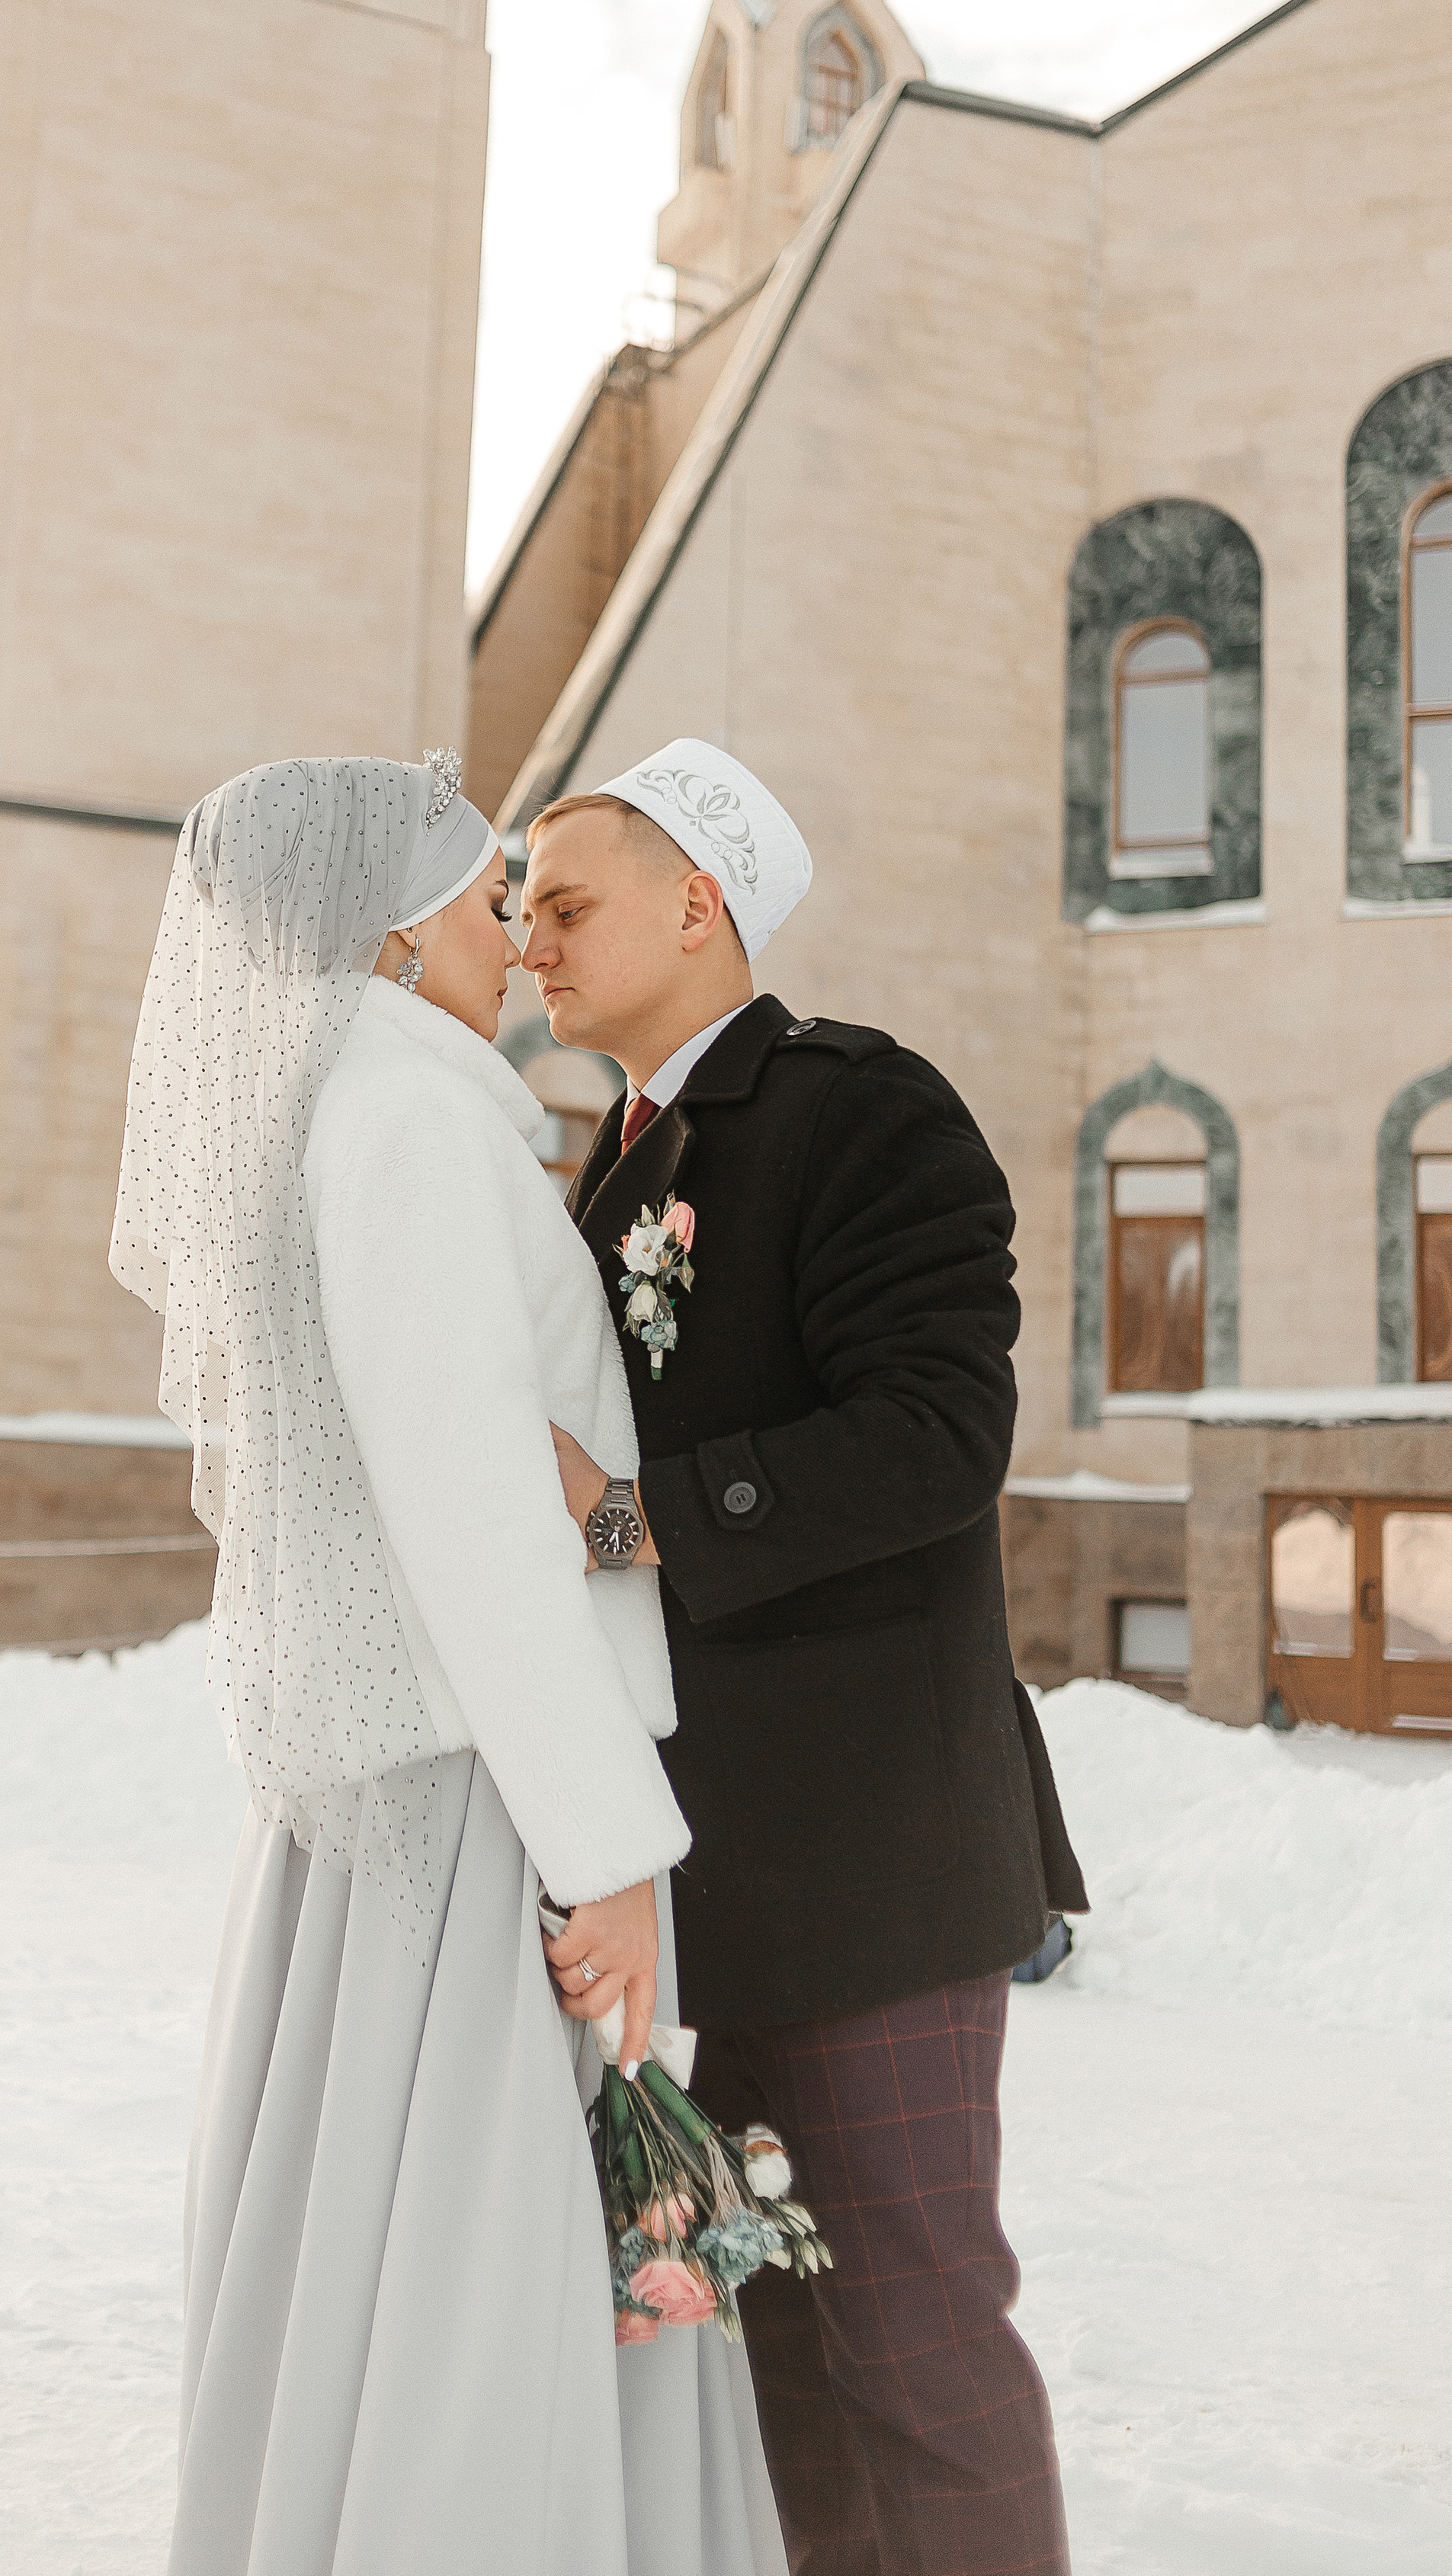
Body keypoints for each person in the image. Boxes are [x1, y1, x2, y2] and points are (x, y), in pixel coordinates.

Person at [110, 754, 785, 2576]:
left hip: (432, 1782)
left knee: (412, 2258)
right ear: (394, 927)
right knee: (481, 2267)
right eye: (485, 893)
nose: (510, 931)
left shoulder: (365, 1109)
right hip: (483, 1791)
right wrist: (612, 1848)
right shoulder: (402, 1127)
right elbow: (479, 1532)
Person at [522, 739, 1089, 2576]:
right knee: (771, 2321)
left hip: (874, 1853)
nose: (528, 937)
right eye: (520, 908)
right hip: (717, 1875)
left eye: (565, 899)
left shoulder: (861, 1109)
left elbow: (937, 1437)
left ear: (697, 903)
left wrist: (618, 1516)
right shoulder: (596, 1168)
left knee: (915, 2328)